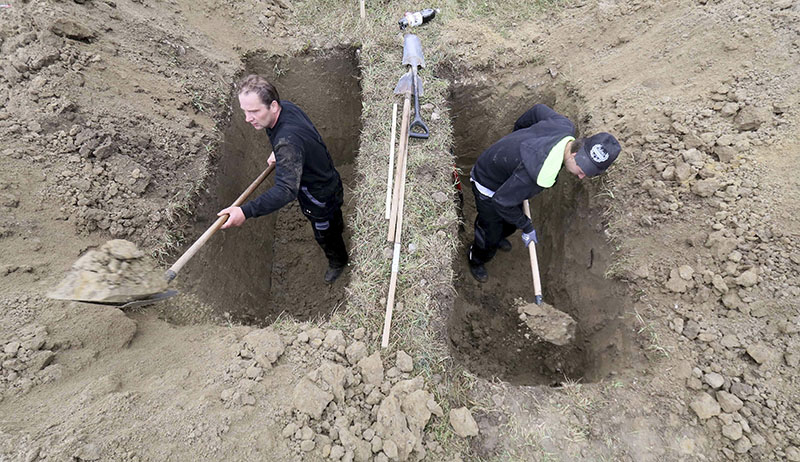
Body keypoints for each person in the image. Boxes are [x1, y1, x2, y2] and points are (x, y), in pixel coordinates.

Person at [467, 103, 621, 283]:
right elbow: (501, 201)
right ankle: (476, 259)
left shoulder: (564, 126)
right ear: (575, 153)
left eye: (588, 173)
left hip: (509, 177)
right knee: (489, 233)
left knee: (510, 223)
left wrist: (517, 133)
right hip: (488, 183)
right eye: (582, 169)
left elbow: (537, 110)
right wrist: (527, 226)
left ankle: (500, 236)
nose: (581, 176)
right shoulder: (538, 174)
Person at [218, 75, 349, 284]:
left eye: (254, 111)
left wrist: (245, 211)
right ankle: (337, 225)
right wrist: (280, 153)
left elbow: (286, 190)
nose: (247, 118)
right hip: (328, 178)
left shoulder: (288, 142)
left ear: (273, 105)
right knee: (333, 218)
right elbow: (297, 141)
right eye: (244, 111)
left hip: (318, 197)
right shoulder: (287, 110)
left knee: (324, 233)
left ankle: (338, 261)